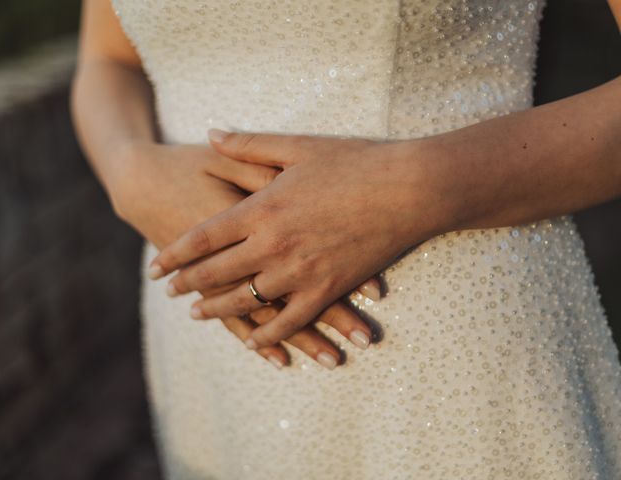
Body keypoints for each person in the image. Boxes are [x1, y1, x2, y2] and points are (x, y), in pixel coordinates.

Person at [70, 0, 621, 478]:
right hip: (210, 343)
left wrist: (412, 189)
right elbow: (107, 59)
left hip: (446, 346)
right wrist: (128, 170)